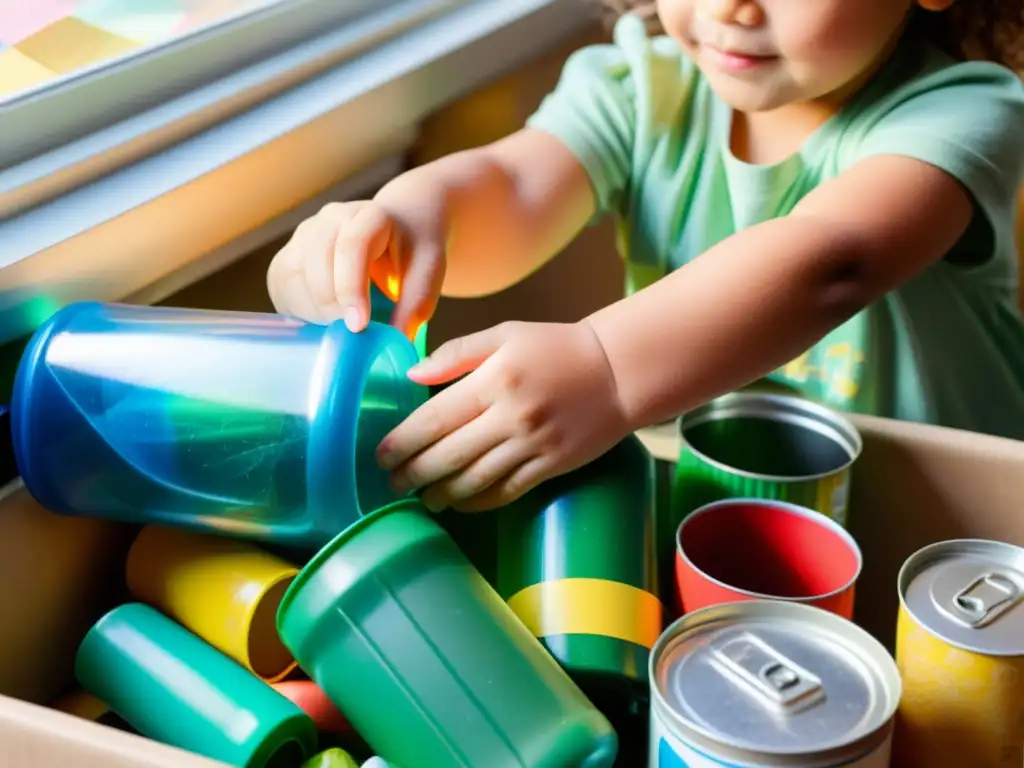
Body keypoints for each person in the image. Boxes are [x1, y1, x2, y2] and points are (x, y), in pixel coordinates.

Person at [267, 0, 1024, 514]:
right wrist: (402, 218)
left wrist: (604, 365)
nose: (731, 5)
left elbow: (832, 262)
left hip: (945, 516)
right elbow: (515, 186)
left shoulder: (965, 113)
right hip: (716, 506)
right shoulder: (640, 87)